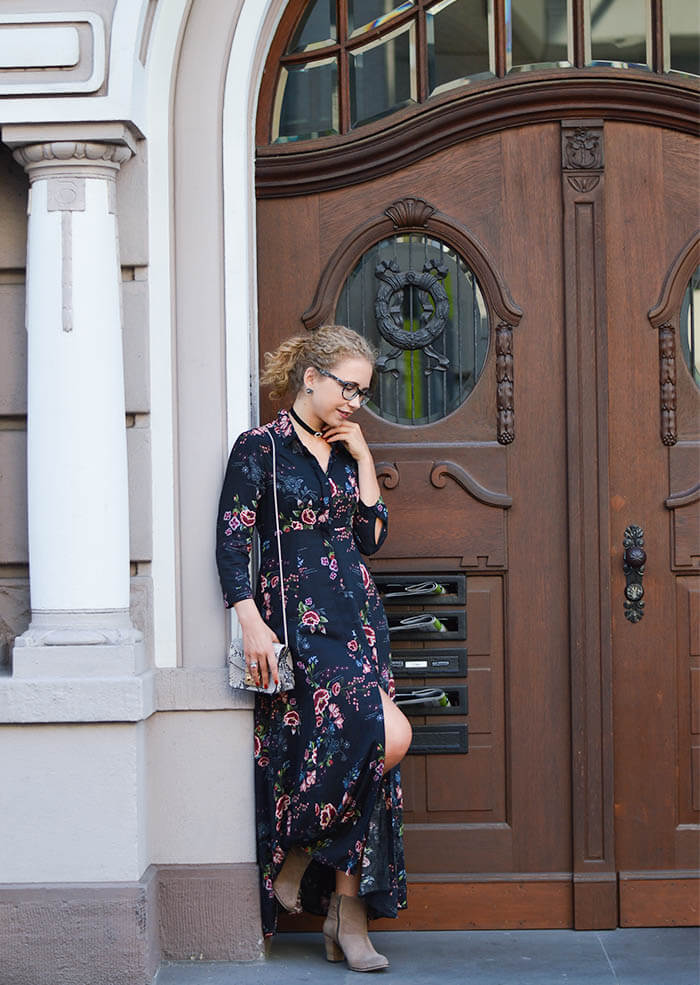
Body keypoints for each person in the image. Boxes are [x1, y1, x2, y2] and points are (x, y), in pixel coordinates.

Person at [216, 325, 412, 972]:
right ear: (310, 376)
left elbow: (372, 536)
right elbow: (230, 539)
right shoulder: (260, 449)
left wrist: (360, 459)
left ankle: (337, 903)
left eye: (363, 392)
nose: (354, 400)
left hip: (357, 620)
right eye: (346, 386)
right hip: (298, 624)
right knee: (382, 737)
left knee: (377, 753)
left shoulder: (347, 445)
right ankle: (308, 873)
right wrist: (248, 618)